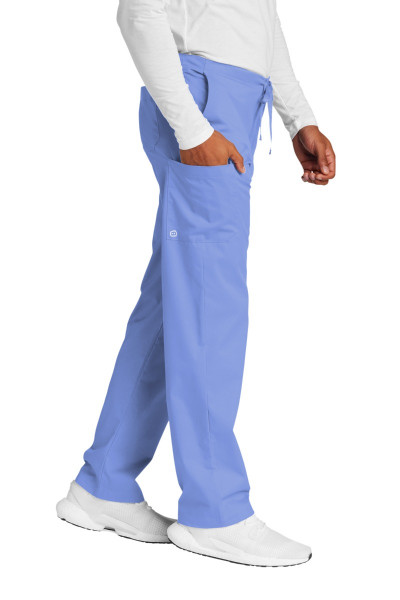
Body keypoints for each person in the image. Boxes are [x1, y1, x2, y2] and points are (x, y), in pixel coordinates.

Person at [57, 0, 335, 567]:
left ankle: (105, 481)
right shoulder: (197, 116)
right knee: (211, 306)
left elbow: (260, 18)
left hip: (229, 101)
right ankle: (216, 512)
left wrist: (298, 116)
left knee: (177, 302)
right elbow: (138, 12)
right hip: (204, 105)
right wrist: (193, 128)